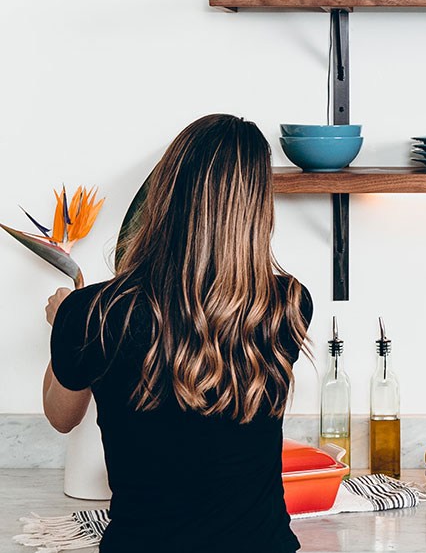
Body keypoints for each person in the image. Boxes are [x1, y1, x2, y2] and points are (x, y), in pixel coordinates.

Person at [43, 113, 313, 553]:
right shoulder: (286, 304)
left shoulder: (93, 311)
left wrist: (63, 326)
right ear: (258, 208)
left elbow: (61, 416)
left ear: (164, 192)